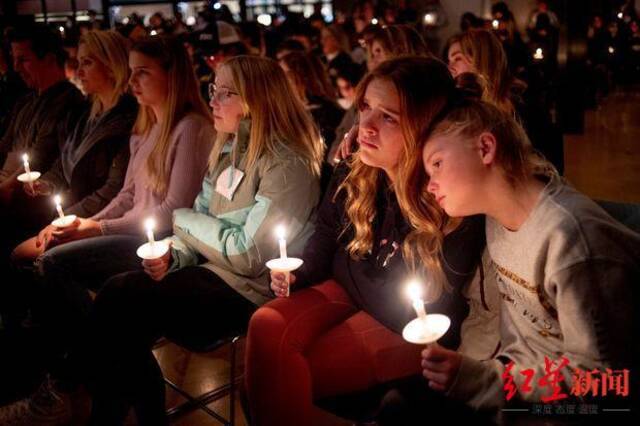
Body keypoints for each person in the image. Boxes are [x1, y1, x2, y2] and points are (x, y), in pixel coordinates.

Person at [244, 56, 485, 425]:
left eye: (388, 117)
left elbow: (410, 310)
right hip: (358, 294)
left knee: (278, 379)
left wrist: (345, 264)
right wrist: (302, 272)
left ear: (424, 127)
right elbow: (327, 231)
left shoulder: (447, 196)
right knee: (266, 325)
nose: (365, 127)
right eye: (366, 108)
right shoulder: (359, 166)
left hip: (407, 331)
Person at [86, 55, 323, 425]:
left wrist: (180, 220)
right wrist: (173, 256)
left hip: (248, 292)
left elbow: (248, 254)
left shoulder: (287, 162)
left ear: (257, 101)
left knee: (121, 303)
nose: (212, 100)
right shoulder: (228, 150)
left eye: (225, 93)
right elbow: (201, 227)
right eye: (214, 89)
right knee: (120, 309)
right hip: (210, 274)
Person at [0, 35, 214, 425]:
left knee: (55, 266)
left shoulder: (191, 128)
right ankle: (106, 376)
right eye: (130, 73)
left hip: (162, 242)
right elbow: (129, 195)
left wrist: (95, 227)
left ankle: (77, 377)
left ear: (173, 75)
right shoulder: (146, 126)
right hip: (131, 232)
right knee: (54, 265)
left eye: (143, 73)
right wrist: (83, 224)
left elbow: (170, 213)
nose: (133, 83)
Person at [405, 97, 638, 423]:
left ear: (485, 148)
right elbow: (524, 339)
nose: (430, 186)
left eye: (438, 163)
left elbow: (602, 385)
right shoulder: (497, 220)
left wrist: (482, 382)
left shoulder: (572, 244)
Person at [446, 29, 564, 174]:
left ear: (480, 59)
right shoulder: (462, 103)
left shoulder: (521, 106)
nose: (449, 67)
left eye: (457, 59)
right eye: (449, 61)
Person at [0, 24, 85, 203]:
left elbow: (41, 157)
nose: (16, 68)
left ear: (49, 59)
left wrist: (5, 187)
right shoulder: (26, 100)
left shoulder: (67, 102)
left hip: (28, 195)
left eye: (23, 60)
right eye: (14, 60)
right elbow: (4, 144)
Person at [279, 51, 344, 163]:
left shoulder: (326, 113)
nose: (280, 81)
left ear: (300, 76)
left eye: (285, 74)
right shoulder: (293, 111)